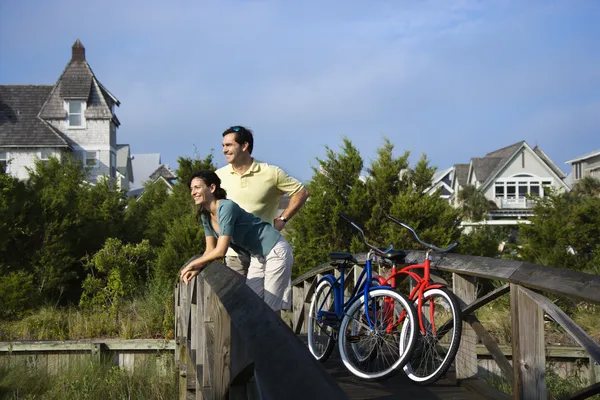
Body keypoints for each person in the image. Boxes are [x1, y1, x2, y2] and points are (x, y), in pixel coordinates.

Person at [179, 170, 293, 313]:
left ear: (212, 188)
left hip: (275, 249)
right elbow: (209, 250)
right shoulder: (206, 216)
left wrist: (191, 264)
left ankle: (275, 335)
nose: (193, 192)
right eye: (191, 189)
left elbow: (220, 251)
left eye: (197, 187)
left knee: (270, 308)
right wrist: (196, 268)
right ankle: (260, 335)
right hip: (258, 256)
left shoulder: (226, 207)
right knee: (252, 304)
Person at [216, 125, 309, 280]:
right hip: (233, 254)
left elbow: (301, 192)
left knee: (263, 302)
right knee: (237, 302)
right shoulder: (218, 176)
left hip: (263, 251)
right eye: (223, 146)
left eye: (229, 145)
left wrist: (282, 219)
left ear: (245, 146)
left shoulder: (271, 172)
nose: (224, 150)